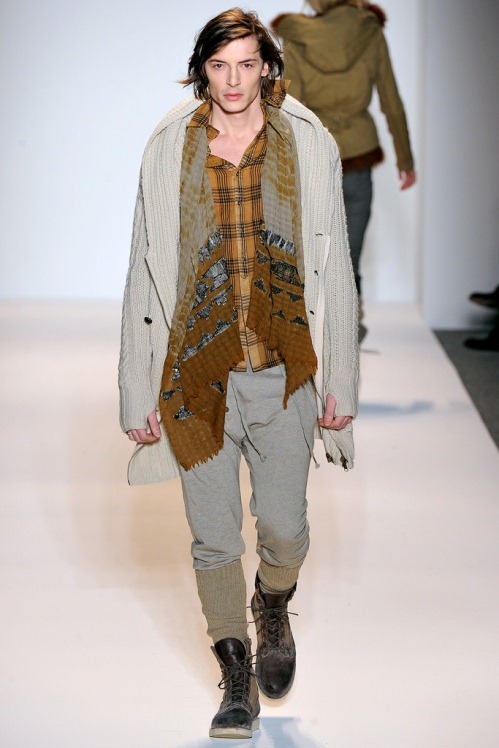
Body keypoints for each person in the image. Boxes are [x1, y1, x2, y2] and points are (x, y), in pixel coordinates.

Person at [119, 8, 358, 739]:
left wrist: (341, 378)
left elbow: (335, 267)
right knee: (213, 537)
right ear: (202, 70)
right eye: (219, 65)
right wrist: (136, 387)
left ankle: (273, 602)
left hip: (283, 370)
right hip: (196, 373)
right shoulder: (170, 146)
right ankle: (235, 677)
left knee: (284, 529)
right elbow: (142, 269)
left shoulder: (306, 142)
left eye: (246, 64)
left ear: (266, 68)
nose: (232, 80)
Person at [272, 0, 416, 340]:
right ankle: (348, 323)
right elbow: (391, 99)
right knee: (351, 249)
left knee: (311, 246)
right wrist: (405, 159)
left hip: (316, 154)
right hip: (358, 151)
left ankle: (313, 328)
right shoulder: (369, 30)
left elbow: (291, 104)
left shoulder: (297, 34)